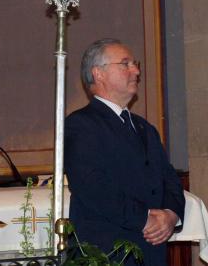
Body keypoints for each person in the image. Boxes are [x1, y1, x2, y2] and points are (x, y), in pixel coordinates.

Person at [65, 38, 185, 266]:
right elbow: (92, 187)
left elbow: (169, 179)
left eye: (135, 63)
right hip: (109, 251)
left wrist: (171, 215)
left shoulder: (145, 128)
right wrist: (145, 219)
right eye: (126, 64)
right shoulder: (80, 125)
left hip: (152, 251)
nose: (136, 71)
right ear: (98, 74)